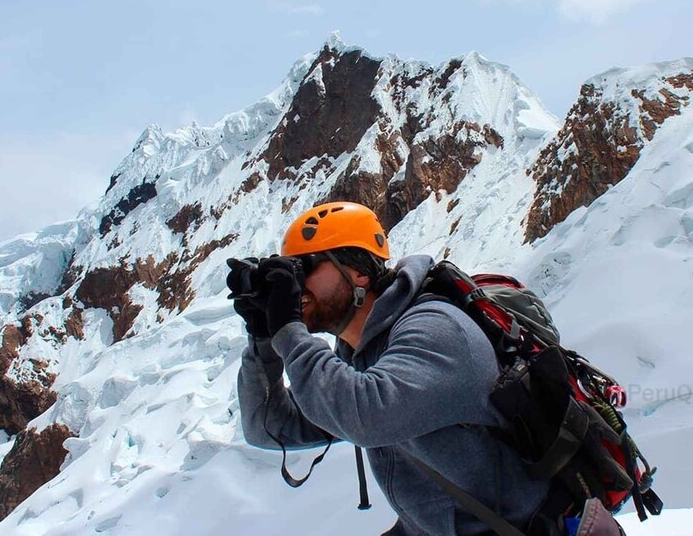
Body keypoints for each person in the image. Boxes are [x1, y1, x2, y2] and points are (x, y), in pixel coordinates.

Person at [229, 201, 550, 536]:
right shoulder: (360, 355)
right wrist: (263, 337)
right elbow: (267, 426)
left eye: (304, 268)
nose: (296, 288)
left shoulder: (435, 329)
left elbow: (366, 415)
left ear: (360, 272)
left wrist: (288, 329)